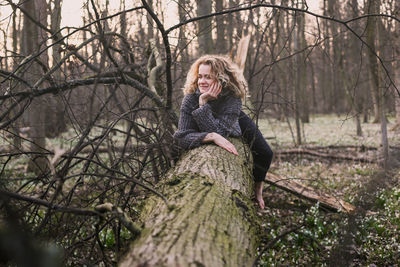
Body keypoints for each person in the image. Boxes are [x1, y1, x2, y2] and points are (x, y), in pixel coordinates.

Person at [173, 55, 273, 209]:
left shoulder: (232, 98)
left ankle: (258, 190)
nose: (202, 81)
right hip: (213, 122)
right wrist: (209, 135)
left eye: (208, 77)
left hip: (233, 119)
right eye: (200, 76)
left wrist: (204, 108)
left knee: (265, 152)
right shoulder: (191, 98)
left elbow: (221, 132)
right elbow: (181, 137)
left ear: (221, 79)